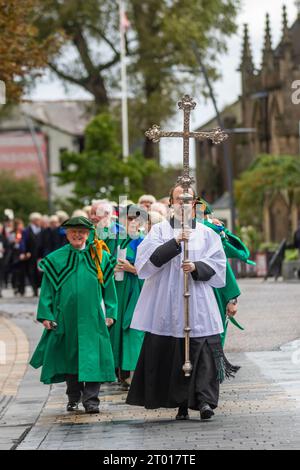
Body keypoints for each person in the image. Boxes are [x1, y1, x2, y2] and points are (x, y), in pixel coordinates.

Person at [127, 184, 239, 421]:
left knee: (202, 351)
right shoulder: (159, 231)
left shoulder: (207, 233)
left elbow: (219, 265)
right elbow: (145, 263)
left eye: (188, 200)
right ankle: (181, 403)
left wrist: (197, 267)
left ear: (195, 204)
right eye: (179, 200)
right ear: (171, 203)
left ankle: (205, 401)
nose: (183, 204)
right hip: (168, 302)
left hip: (199, 301)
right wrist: (175, 244)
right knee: (175, 354)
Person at [30, 216, 118, 414]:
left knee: (93, 357)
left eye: (81, 232)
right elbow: (47, 291)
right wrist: (46, 315)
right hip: (66, 318)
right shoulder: (55, 259)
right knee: (71, 358)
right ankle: (73, 397)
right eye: (73, 232)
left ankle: (92, 401)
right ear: (67, 235)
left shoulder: (100, 257)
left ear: (88, 234)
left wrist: (111, 312)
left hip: (94, 316)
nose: (77, 235)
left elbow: (110, 289)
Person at [110, 205, 146, 389]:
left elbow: (154, 268)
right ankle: (121, 373)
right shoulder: (114, 239)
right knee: (118, 330)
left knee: (134, 329)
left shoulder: (144, 240)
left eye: (135, 219)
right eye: (128, 219)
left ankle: (134, 373)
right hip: (118, 289)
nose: (132, 222)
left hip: (138, 290)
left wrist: (132, 268)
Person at [20, 212, 43, 296]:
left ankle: (38, 287)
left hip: (40, 255)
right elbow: (23, 242)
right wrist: (24, 252)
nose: (39, 221)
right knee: (31, 272)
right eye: (38, 220)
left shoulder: (42, 230)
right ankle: (34, 290)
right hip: (30, 255)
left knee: (40, 273)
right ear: (33, 221)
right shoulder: (27, 230)